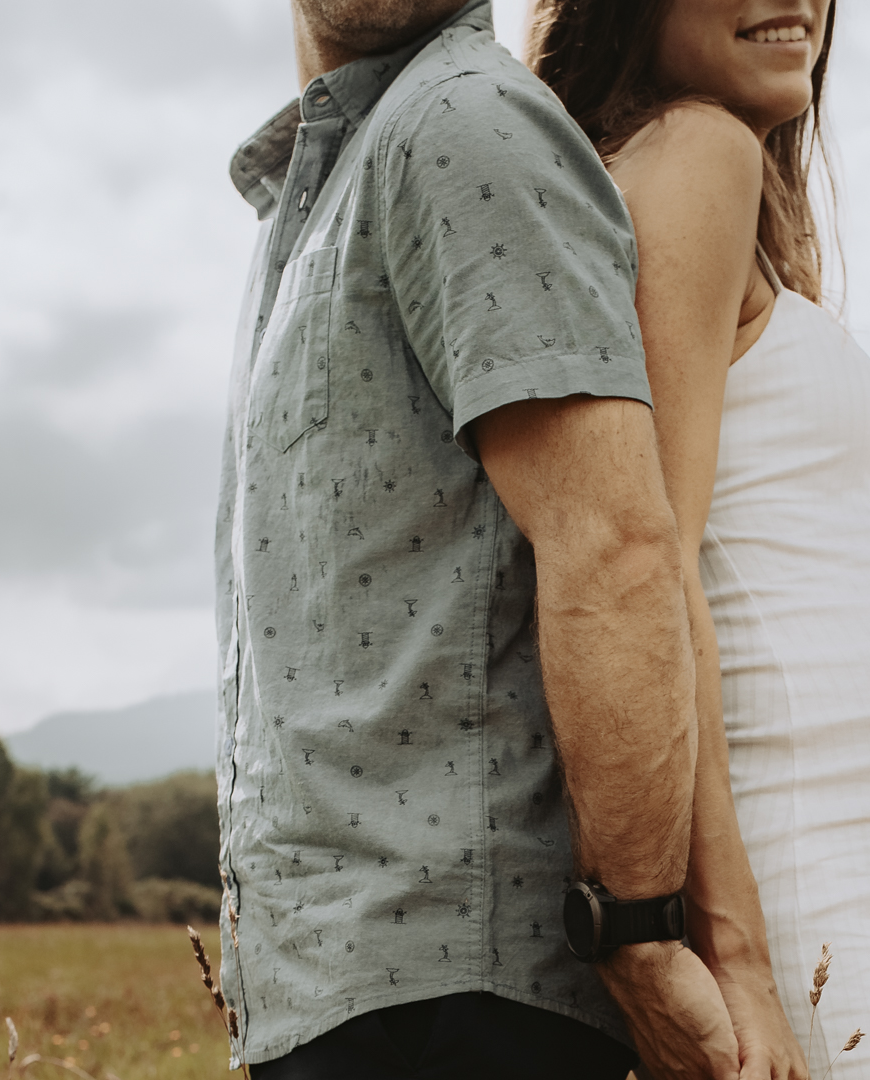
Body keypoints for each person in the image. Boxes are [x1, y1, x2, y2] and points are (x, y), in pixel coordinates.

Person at [213, 1, 746, 1076]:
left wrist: (637, 931)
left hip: (457, 1002)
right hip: (353, 987)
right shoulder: (331, 184)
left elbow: (617, 546)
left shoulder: (466, 122)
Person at [530, 1, 870, 1076]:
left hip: (852, 878)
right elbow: (652, 567)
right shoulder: (694, 155)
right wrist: (739, 953)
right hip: (804, 874)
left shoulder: (721, 187)